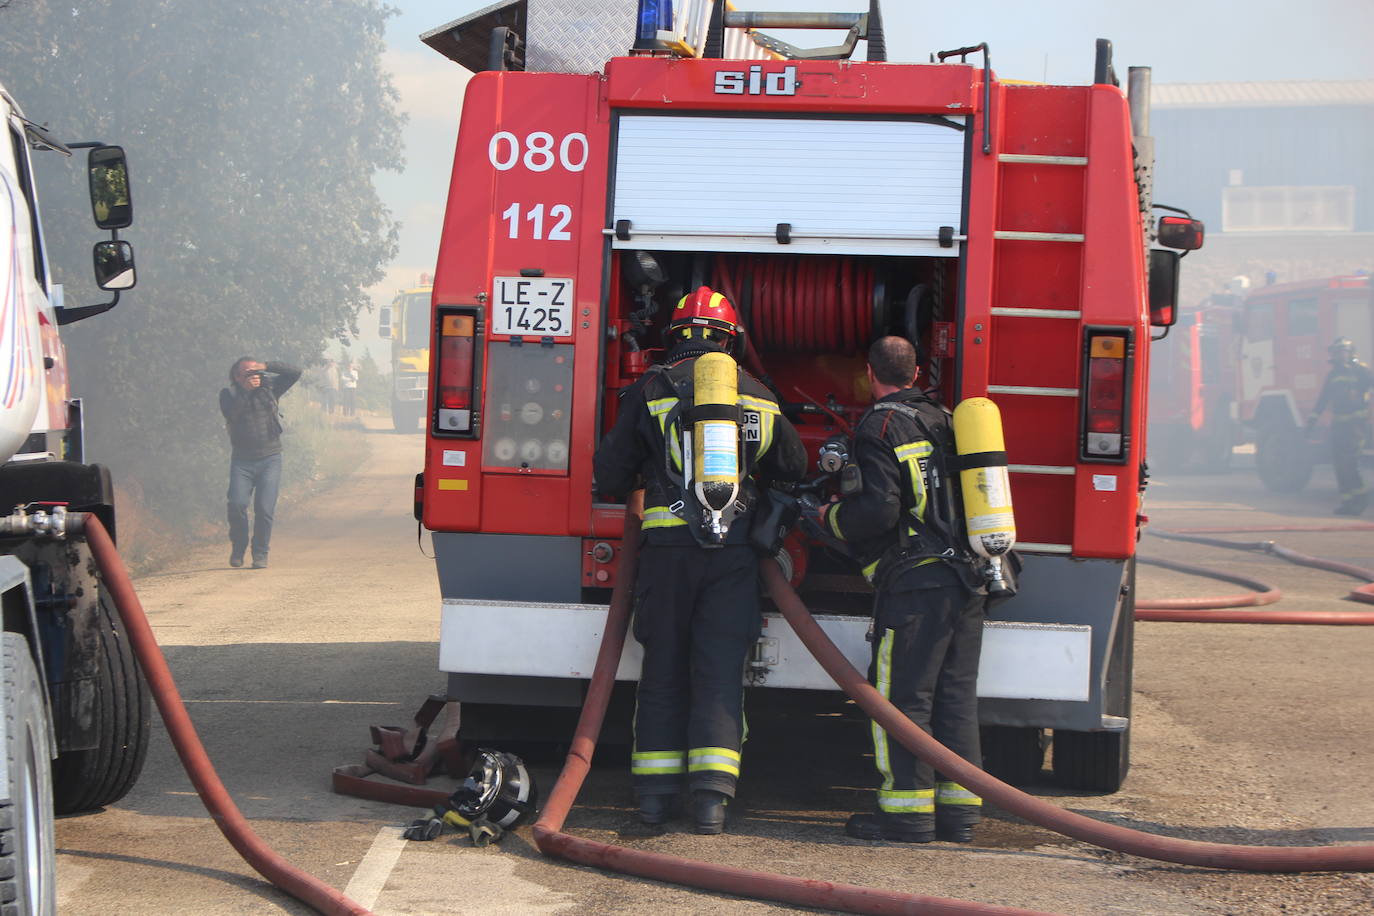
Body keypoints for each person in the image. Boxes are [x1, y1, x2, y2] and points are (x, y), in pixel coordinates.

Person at [593, 286, 806, 834]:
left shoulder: (651, 388)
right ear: (730, 341)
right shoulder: (758, 393)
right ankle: (711, 805)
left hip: (665, 555)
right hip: (733, 557)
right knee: (718, 675)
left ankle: (653, 802)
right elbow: (792, 467)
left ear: (676, 337)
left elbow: (611, 475)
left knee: (662, 672)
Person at [813, 336, 987, 844]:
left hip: (918, 585)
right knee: (954, 699)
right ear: (916, 372)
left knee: (902, 700)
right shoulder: (947, 417)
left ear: (870, 373)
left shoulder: (881, 424)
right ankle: (960, 815)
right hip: (969, 579)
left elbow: (880, 511)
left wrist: (831, 518)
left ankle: (906, 816)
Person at [220, 356, 301, 569]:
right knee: (236, 504)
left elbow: (295, 372)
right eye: (246, 373)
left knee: (264, 509)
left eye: (255, 372)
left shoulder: (271, 389)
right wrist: (246, 391)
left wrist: (266, 366)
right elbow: (232, 415)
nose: (253, 377)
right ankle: (239, 547)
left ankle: (260, 554)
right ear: (236, 377)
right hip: (242, 461)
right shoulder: (229, 395)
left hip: (270, 458)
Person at [1309, 337, 1372, 516]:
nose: (1339, 355)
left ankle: (1361, 499)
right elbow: (1323, 399)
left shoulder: (1362, 371)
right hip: (1339, 426)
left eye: (1342, 351)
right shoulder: (1334, 374)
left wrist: (1366, 402)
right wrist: (1311, 422)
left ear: (1351, 352)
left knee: (1350, 463)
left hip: (1356, 427)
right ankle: (1348, 502)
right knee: (1339, 464)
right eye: (1336, 352)